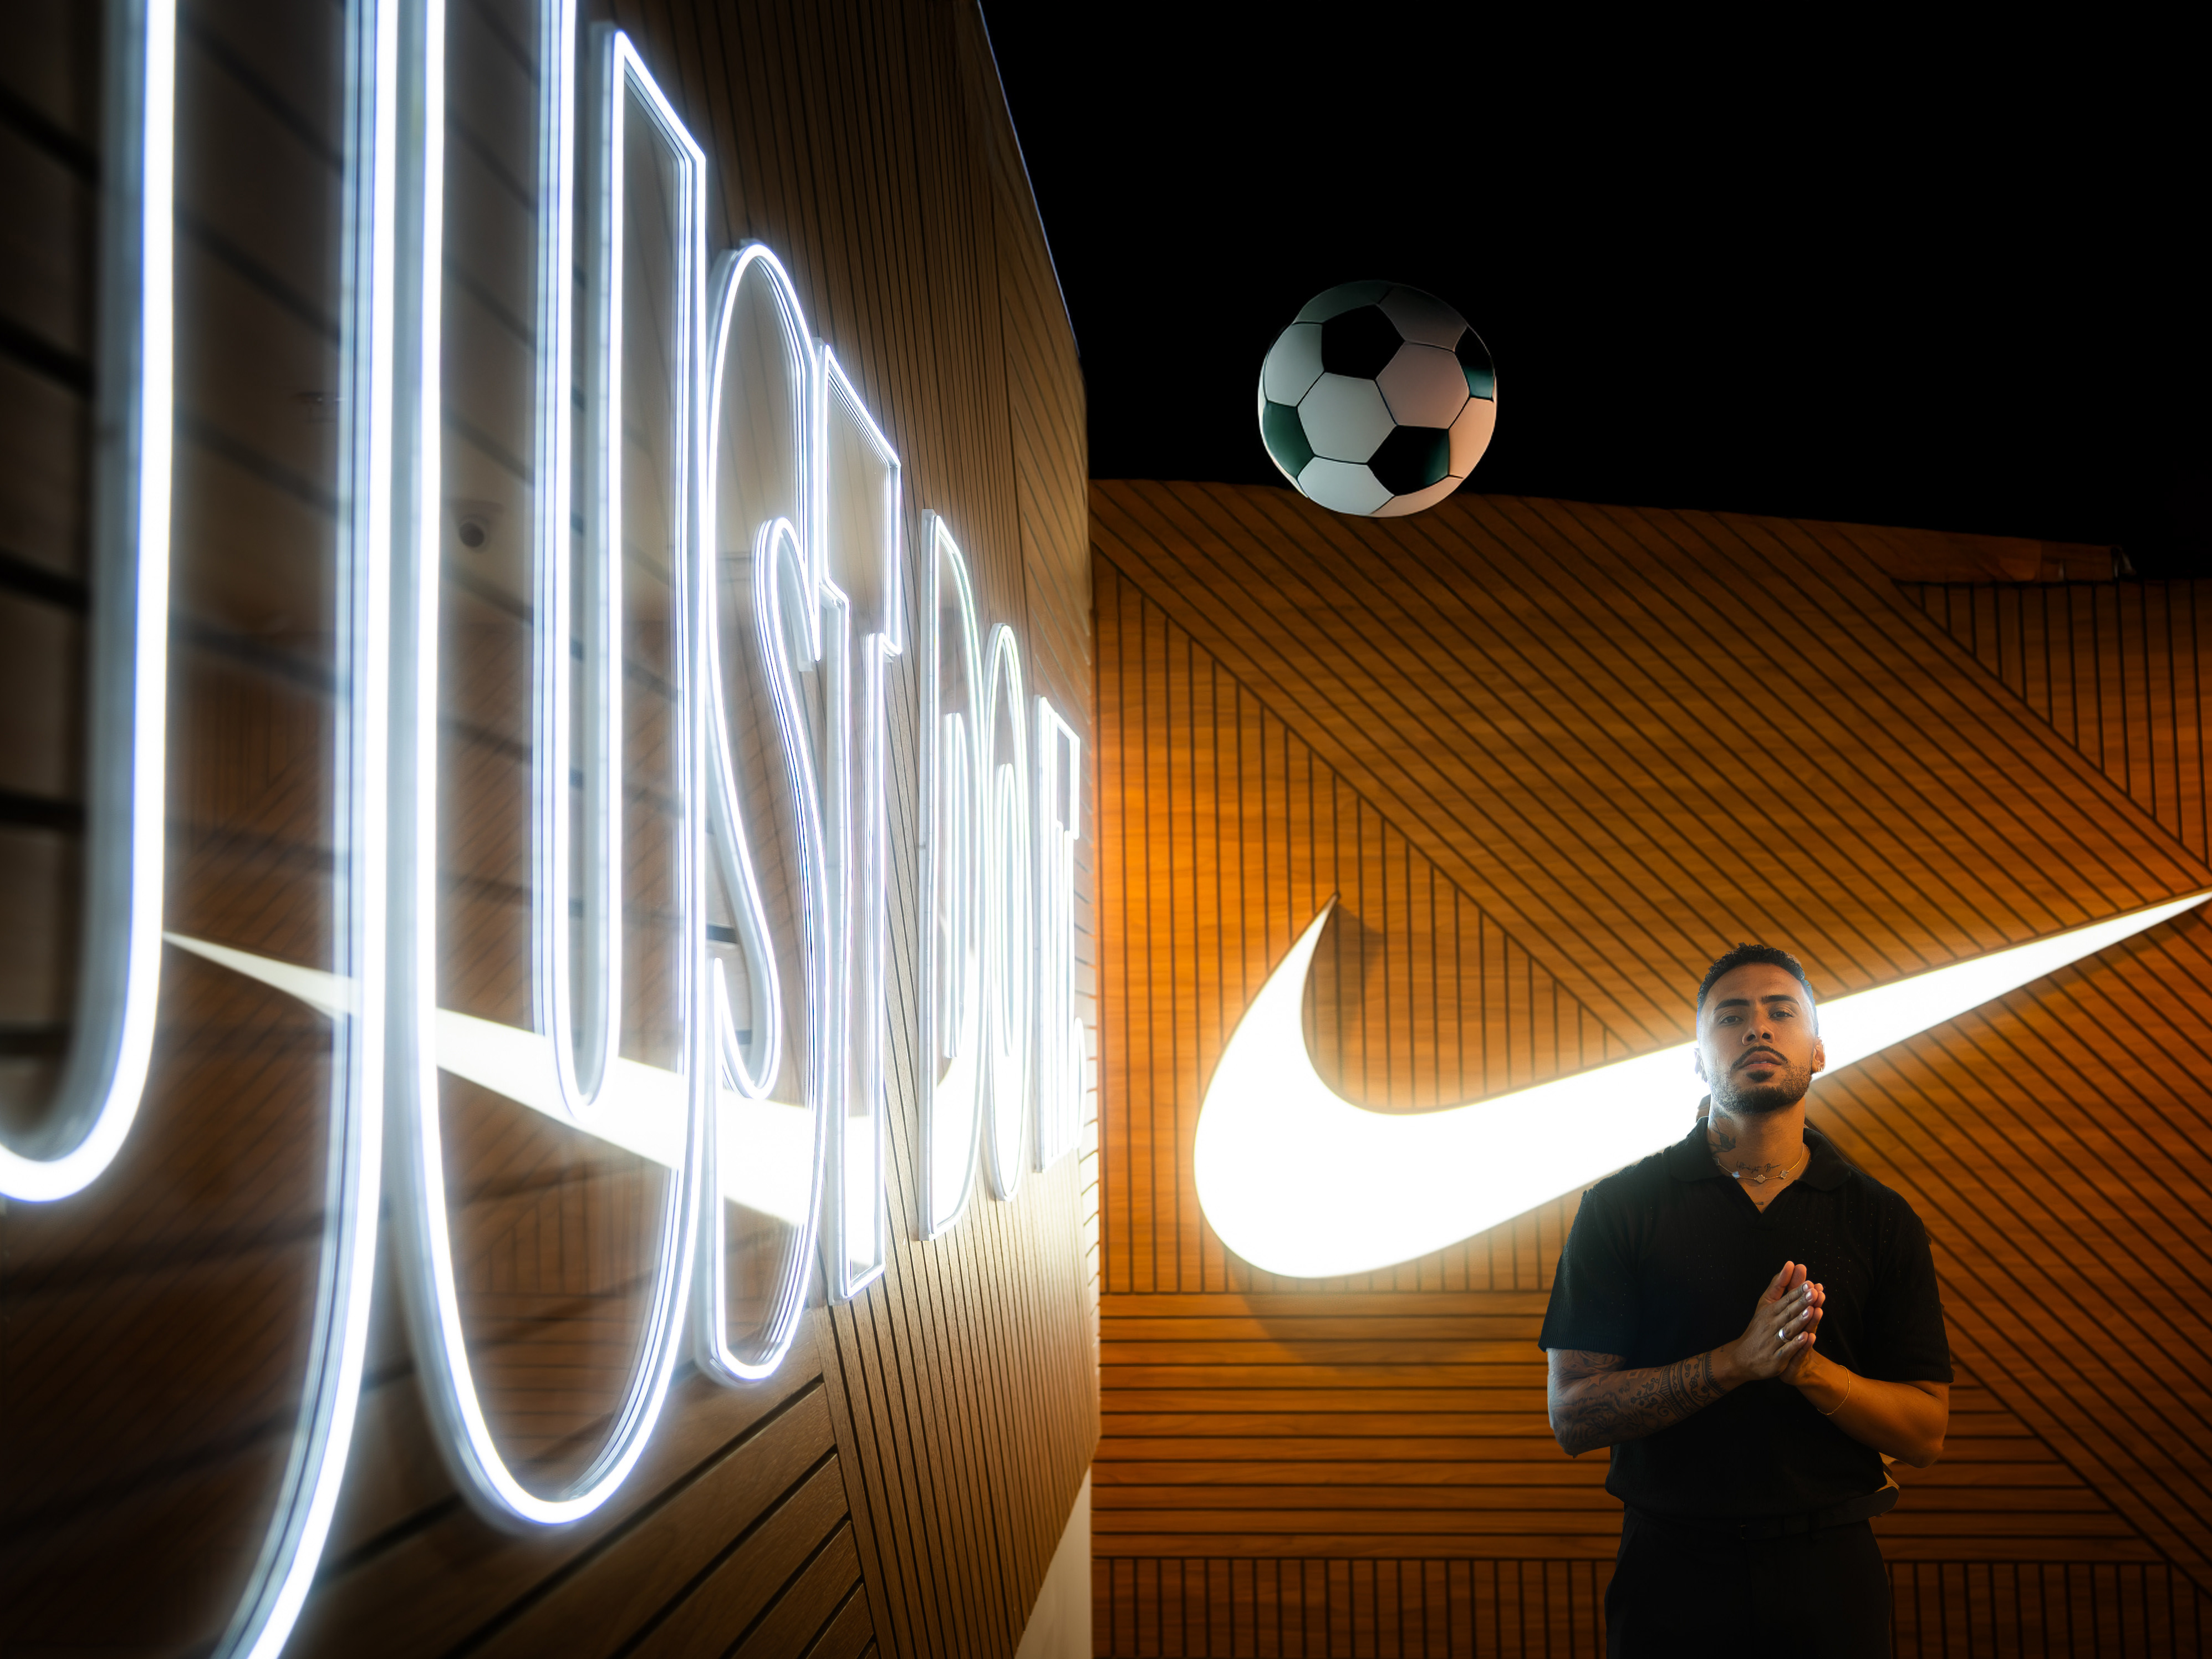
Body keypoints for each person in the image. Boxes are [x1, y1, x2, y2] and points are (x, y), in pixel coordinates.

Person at [1538, 943, 1951, 1657]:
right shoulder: (1620, 1208)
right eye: (1731, 1017)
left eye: (1780, 1012)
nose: (1757, 1027)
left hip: (1831, 1570)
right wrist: (1736, 1362)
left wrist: (1806, 1369)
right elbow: (1573, 1416)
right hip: (1672, 1572)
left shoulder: (1880, 1218)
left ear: (1818, 1050)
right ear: (1699, 1061)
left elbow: (1925, 1436)